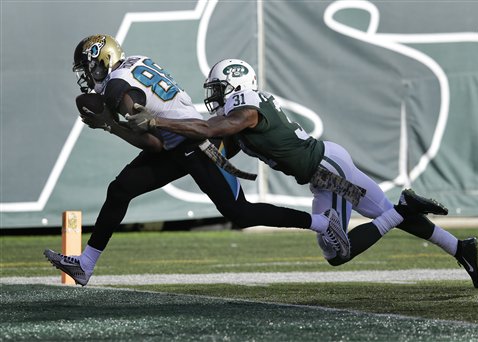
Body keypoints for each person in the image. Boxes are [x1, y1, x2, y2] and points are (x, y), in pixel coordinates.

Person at [127, 58, 478, 288]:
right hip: (322, 174)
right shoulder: (243, 111)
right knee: (367, 224)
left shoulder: (246, 108)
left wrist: (158, 120)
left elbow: (213, 131)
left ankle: (406, 209)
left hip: (329, 169)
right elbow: (219, 144)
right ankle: (458, 246)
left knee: (340, 250)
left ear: (235, 86)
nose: (215, 97)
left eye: (218, 89)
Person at [45, 35, 363, 286]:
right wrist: (116, 123)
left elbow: (150, 136)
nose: (86, 75)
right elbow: (155, 141)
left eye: (87, 67)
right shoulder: (132, 65)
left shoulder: (117, 86)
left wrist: (115, 123)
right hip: (176, 144)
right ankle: (85, 265)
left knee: (240, 212)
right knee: (120, 190)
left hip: (195, 143)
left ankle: (323, 222)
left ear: (102, 61)